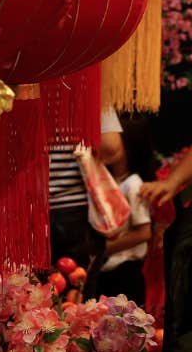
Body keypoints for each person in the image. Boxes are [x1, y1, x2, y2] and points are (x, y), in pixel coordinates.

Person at [49, 108, 123, 299]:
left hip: (24, 211)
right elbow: (110, 146)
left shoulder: (15, 83)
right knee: (75, 306)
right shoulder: (85, 84)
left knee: (29, 301)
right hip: (75, 211)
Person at [97, 117, 154, 302]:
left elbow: (144, 232)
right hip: (109, 270)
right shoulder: (111, 181)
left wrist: (103, 249)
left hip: (125, 271)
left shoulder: (133, 184)